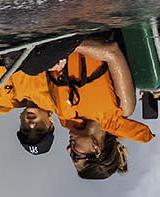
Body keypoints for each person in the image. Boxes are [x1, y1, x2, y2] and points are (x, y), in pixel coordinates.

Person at [46, 35, 148, 179]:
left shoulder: (64, 114)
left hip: (55, 34)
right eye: (75, 156)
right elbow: (112, 52)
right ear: (96, 150)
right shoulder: (123, 107)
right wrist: (65, 45)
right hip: (91, 28)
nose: (68, 150)